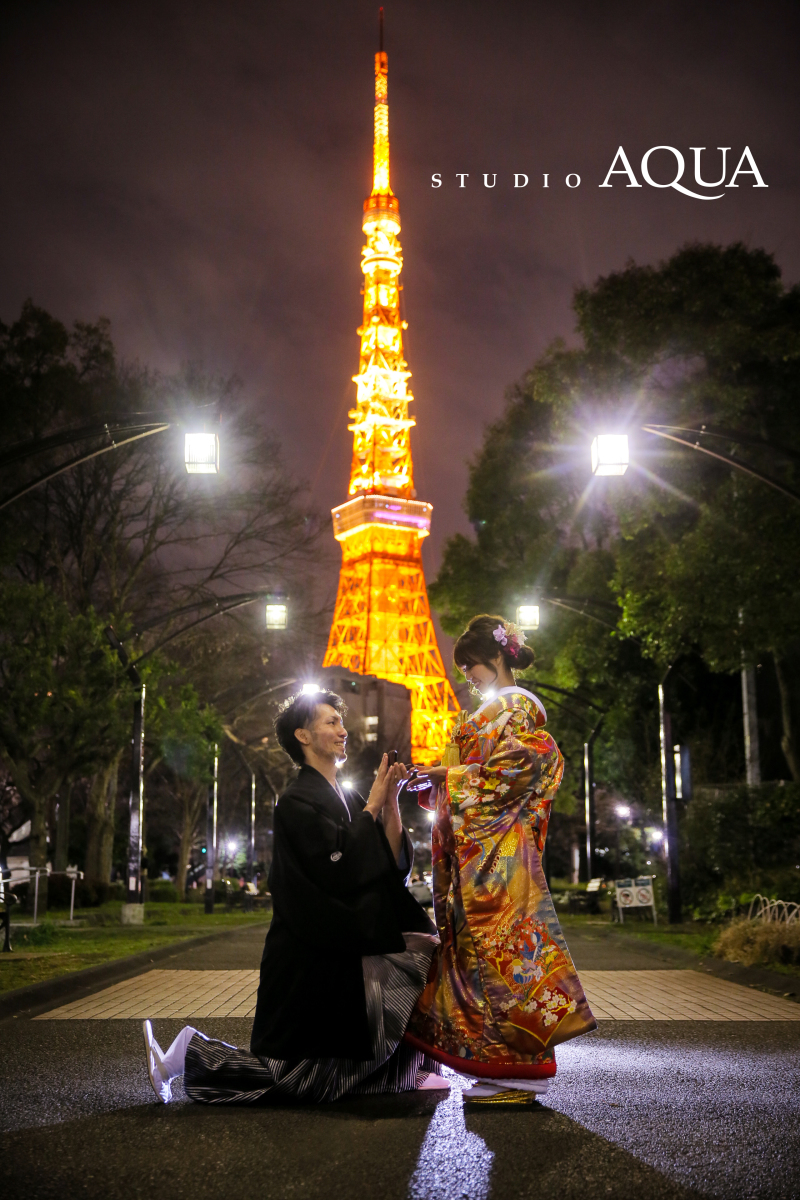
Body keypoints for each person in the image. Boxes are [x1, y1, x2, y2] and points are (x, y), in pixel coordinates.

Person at [143, 688, 448, 1104]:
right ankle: (190, 1051)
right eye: (331, 722)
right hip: (311, 954)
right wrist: (373, 805)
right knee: (300, 1078)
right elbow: (337, 871)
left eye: (341, 722)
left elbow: (389, 866)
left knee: (332, 1065)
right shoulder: (294, 802)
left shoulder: (352, 798)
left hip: (341, 947)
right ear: (303, 736)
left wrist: (389, 802)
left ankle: (406, 1071)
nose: (343, 731)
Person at [405, 614, 596, 1104]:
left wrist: (449, 778)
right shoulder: (498, 710)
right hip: (482, 853)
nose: (466, 675)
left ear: (495, 660)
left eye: (470, 665)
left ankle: (519, 1070)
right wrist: (441, 780)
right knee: (481, 960)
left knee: (505, 961)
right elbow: (479, 771)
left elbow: (522, 765)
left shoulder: (517, 712)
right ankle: (495, 1065)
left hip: (498, 856)